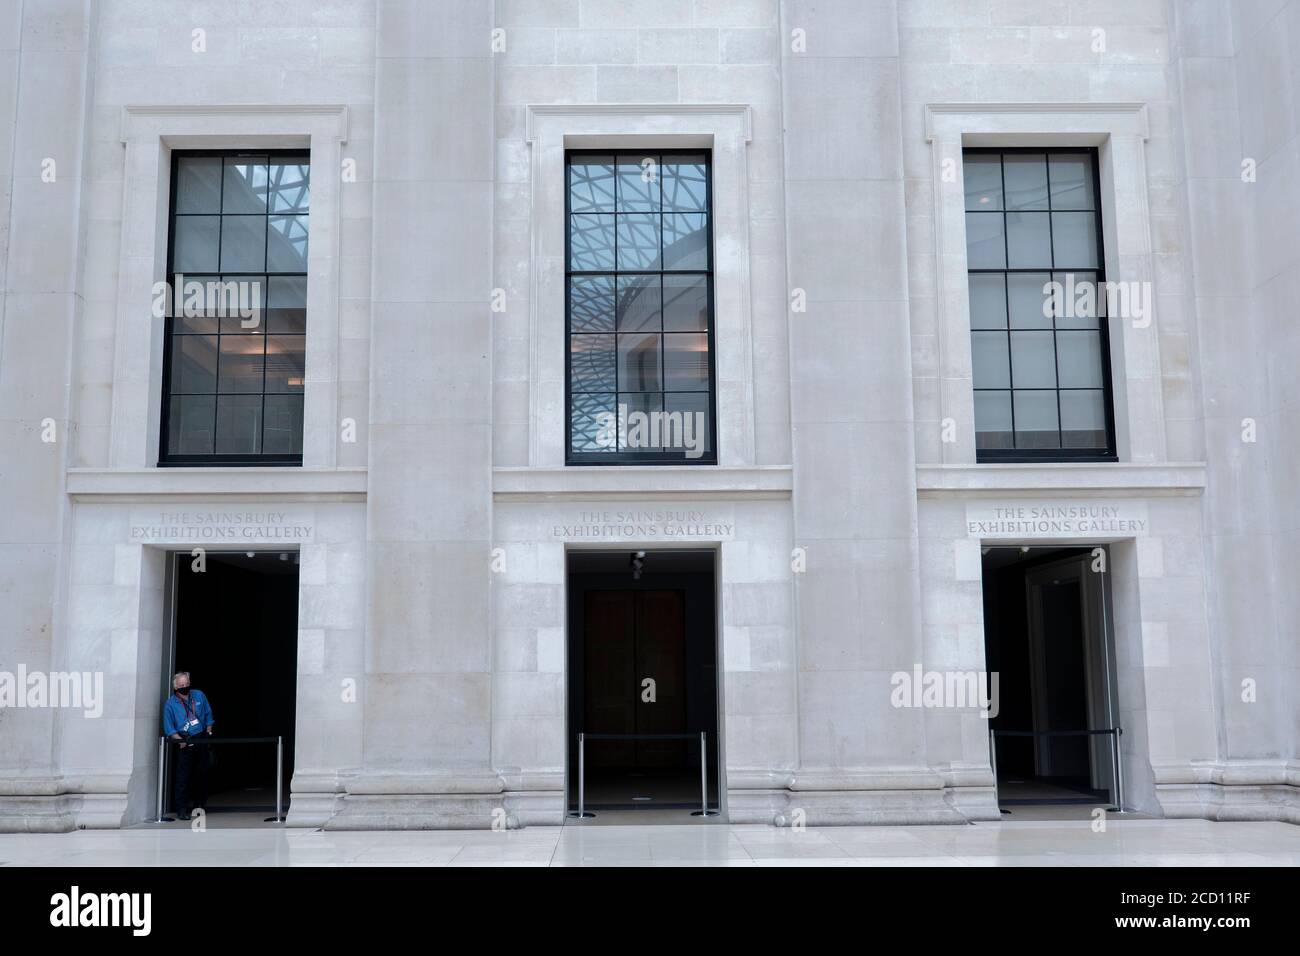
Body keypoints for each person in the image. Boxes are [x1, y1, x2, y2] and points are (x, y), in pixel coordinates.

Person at [162, 671, 215, 820]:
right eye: (181, 685)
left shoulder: (198, 695)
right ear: (176, 687)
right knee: (183, 777)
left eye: (186, 684)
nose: (185, 687)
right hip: (184, 740)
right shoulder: (170, 704)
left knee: (202, 774)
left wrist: (208, 734)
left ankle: (200, 806)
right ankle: (181, 809)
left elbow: (208, 716)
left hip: (201, 738)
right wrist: (180, 740)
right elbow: (169, 728)